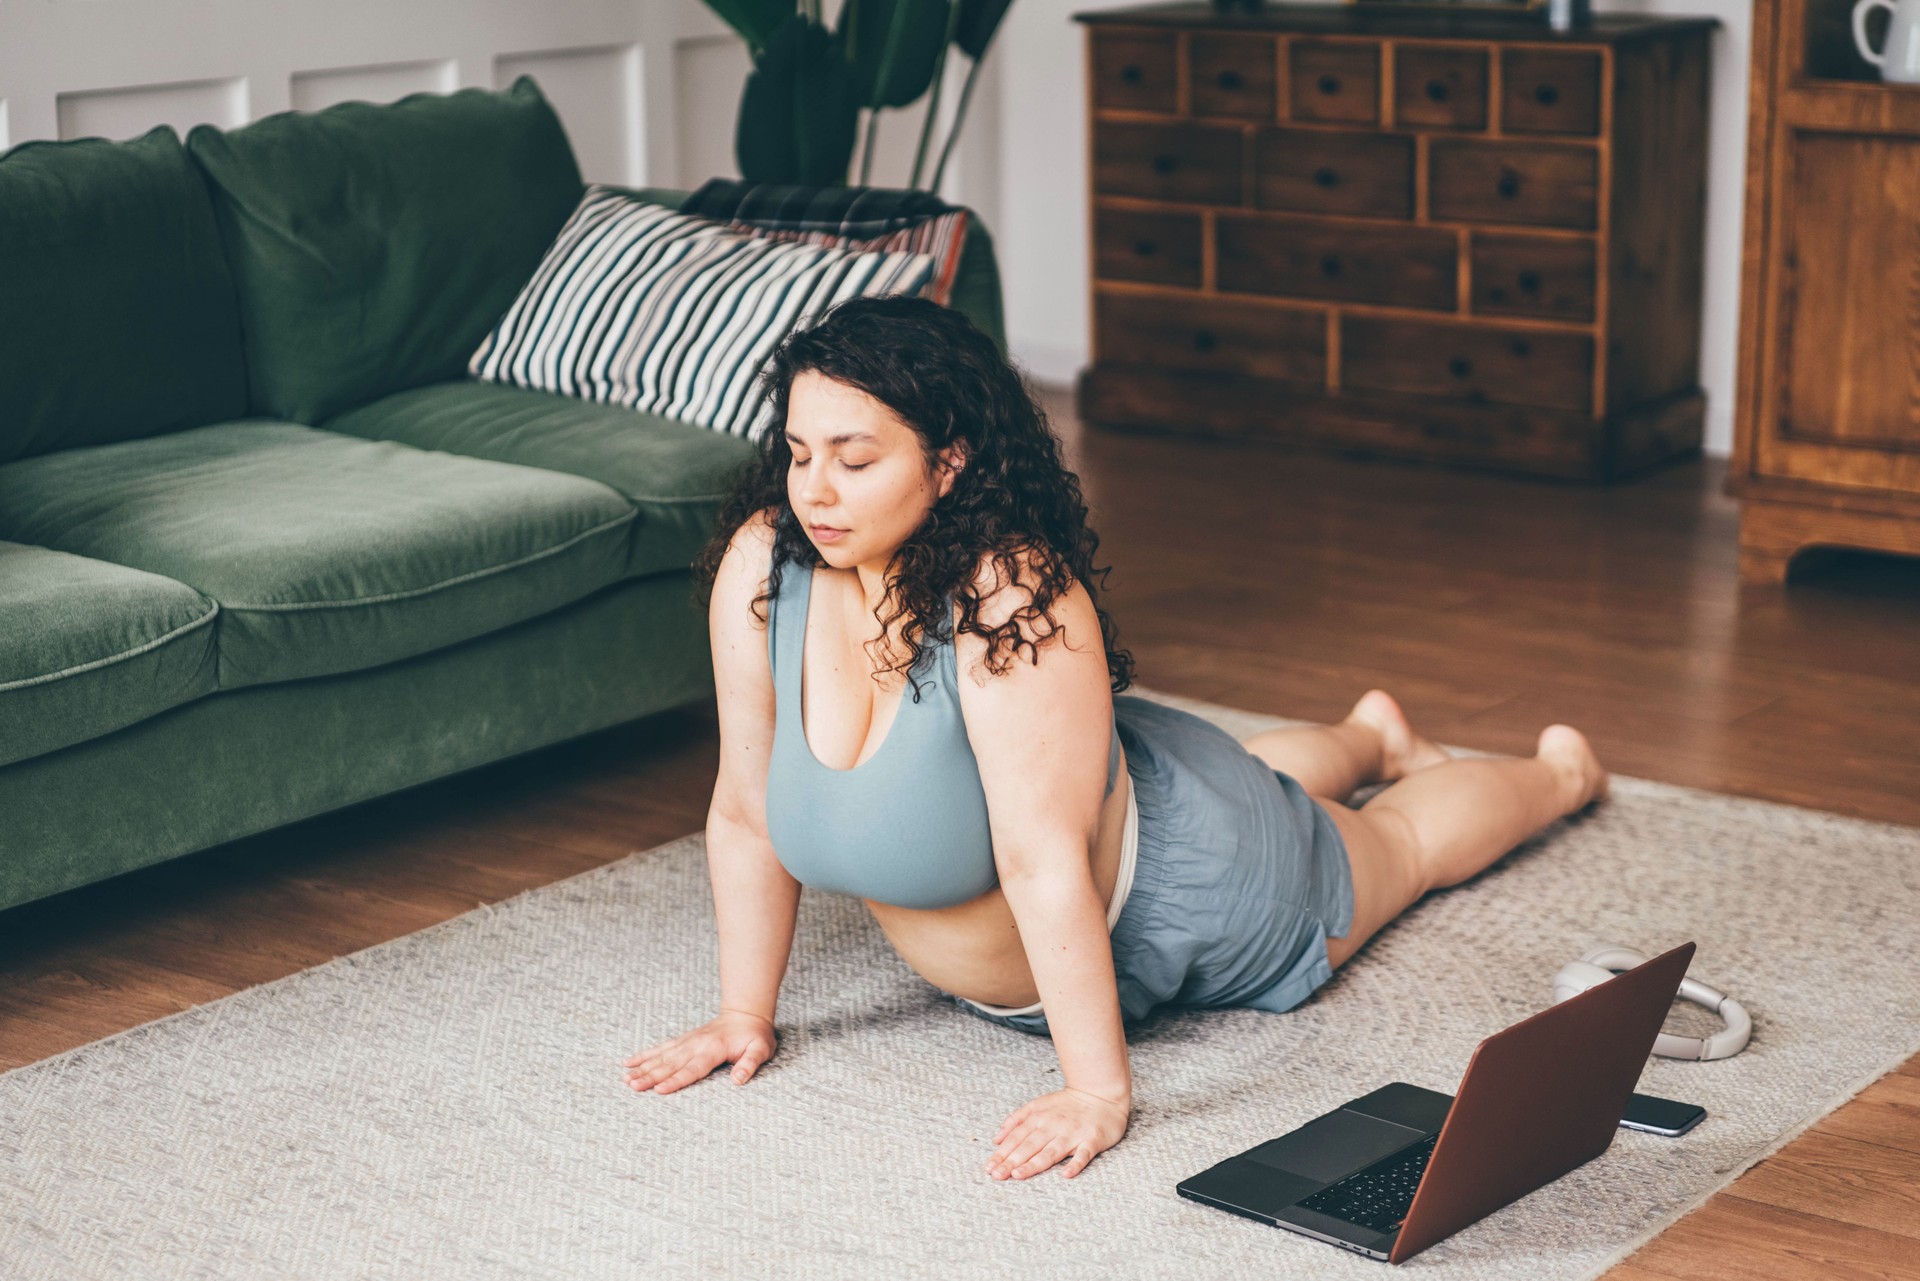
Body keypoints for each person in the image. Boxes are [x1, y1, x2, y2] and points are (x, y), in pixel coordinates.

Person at [620, 294, 1609, 1186]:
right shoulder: (766, 565)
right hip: (1109, 798)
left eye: (856, 457)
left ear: (949, 460)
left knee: (1397, 849)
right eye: (798, 453)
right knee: (1256, 780)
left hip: (1192, 883)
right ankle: (1367, 731)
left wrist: (1096, 1090)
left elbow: (1044, 859)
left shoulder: (1006, 592)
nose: (815, 491)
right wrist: (743, 1013)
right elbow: (746, 812)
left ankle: (1561, 773)